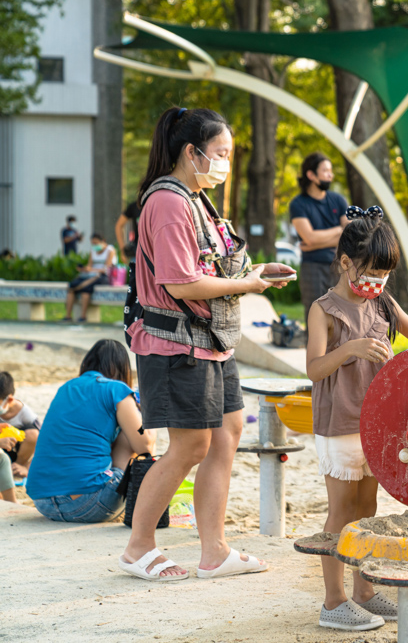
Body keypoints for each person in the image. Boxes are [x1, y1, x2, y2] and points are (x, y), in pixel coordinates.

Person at [119, 106, 293, 582]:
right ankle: (138, 548)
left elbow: (213, 269)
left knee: (228, 431)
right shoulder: (169, 202)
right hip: (175, 343)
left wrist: (255, 274)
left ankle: (214, 550)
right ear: (191, 152)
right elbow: (182, 284)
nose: (226, 164)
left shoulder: (198, 199)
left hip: (212, 341)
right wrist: (249, 287)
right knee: (189, 446)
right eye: (220, 153)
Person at [307, 207, 408, 631]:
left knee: (368, 508)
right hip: (339, 422)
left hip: (378, 423)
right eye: (373, 272)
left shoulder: (382, 302)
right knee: (341, 511)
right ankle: (333, 600)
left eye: (385, 274)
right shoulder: (323, 309)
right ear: (345, 263)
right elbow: (314, 368)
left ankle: (364, 592)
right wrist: (352, 349)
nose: (378, 282)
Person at [25, 340, 157, 522]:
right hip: (88, 504)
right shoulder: (116, 389)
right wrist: (147, 414)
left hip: (43, 503)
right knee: (130, 435)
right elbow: (145, 447)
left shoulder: (67, 387)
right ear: (123, 369)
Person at [290, 152, 350, 322]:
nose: (330, 175)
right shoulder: (298, 204)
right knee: (316, 318)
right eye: (325, 170)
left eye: (330, 170)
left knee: (342, 318)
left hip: (340, 266)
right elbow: (309, 237)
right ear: (311, 175)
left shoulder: (338, 200)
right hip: (312, 268)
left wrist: (314, 243)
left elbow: (349, 233)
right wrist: (339, 230)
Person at [63, 234, 116, 322]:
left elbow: (107, 268)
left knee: (86, 289)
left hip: (102, 276)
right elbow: (89, 265)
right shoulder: (93, 251)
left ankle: (83, 317)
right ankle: (67, 316)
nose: (94, 245)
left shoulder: (110, 250)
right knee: (71, 287)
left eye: (96, 243)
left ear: (103, 241)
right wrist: (84, 269)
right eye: (92, 243)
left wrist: (91, 269)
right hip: (90, 275)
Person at [0, 371, 42, 478]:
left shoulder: (26, 415)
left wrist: (27, 468)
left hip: (15, 450)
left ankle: (17, 466)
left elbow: (45, 443)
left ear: (9, 400)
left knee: (33, 434)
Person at [115, 200, 142, 264]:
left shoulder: (158, 203)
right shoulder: (134, 206)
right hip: (138, 252)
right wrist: (123, 250)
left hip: (157, 251)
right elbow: (119, 226)